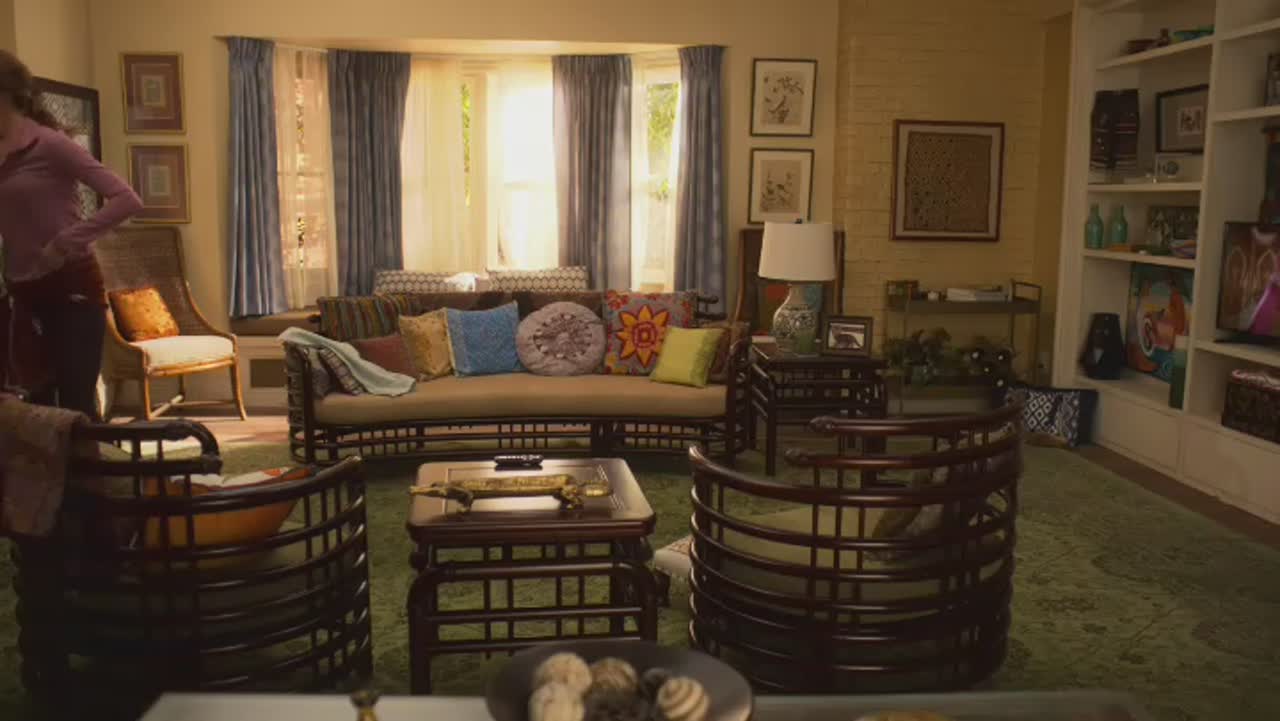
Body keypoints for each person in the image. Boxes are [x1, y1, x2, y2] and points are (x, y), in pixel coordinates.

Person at [0, 49, 142, 418]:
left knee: (76, 406)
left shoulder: (50, 144)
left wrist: (66, 242)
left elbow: (126, 199)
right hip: (21, 293)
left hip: (71, 287)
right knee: (35, 409)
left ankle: (89, 459)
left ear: (6, 94)